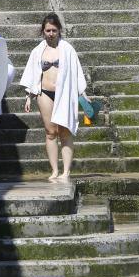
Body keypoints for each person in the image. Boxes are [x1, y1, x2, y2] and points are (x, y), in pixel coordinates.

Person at [19, 13, 88, 182]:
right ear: (43, 31)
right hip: (44, 93)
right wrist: (28, 96)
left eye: (54, 30)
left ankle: (66, 171)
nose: (51, 33)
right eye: (48, 30)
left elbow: (77, 71)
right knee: (51, 132)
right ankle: (55, 170)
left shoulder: (67, 49)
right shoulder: (37, 51)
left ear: (59, 30)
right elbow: (33, 74)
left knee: (64, 131)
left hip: (64, 92)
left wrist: (83, 93)